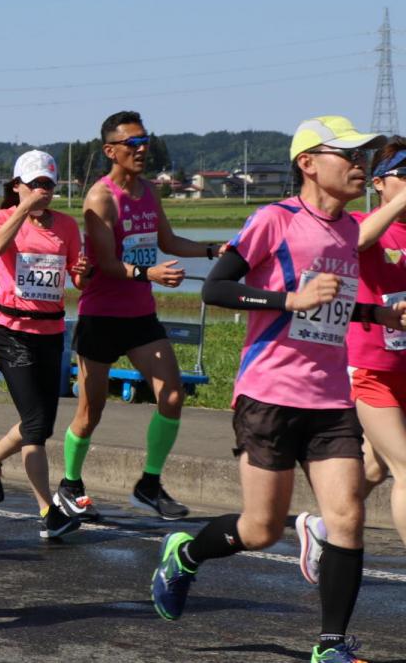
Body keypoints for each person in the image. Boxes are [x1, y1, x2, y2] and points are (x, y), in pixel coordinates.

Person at [152, 115, 401, 663]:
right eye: (349, 155)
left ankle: (330, 645)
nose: (361, 165)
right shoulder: (274, 219)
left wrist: (376, 314)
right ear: (308, 163)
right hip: (269, 393)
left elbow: (330, 306)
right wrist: (288, 300)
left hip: (331, 398)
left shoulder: (348, 230)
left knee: (348, 518)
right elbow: (217, 288)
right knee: (262, 529)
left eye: (364, 156)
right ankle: (186, 553)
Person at [57, 110, 218, 522]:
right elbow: (108, 264)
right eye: (133, 143)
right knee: (90, 412)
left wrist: (214, 250)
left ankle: (149, 484)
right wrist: (150, 274)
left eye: (145, 140)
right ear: (111, 150)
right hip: (101, 316)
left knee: (173, 395)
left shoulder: (148, 192)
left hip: (140, 316)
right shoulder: (101, 198)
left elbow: (169, 241)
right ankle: (70, 484)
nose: (142, 149)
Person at [295, 136, 406, 583]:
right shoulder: (359, 223)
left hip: (404, 368)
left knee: (375, 466)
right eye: (405, 175)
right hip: (369, 367)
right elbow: (356, 242)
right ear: (379, 182)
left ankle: (322, 526)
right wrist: (400, 204)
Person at [0, 151, 89, 539]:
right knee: (35, 426)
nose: (43, 191)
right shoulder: (1, 218)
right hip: (11, 332)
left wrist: (82, 272)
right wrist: (23, 210)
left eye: (48, 184)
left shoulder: (66, 225)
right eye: (35, 184)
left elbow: (78, 278)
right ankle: (48, 512)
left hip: (51, 334)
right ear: (17, 185)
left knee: (41, 423)